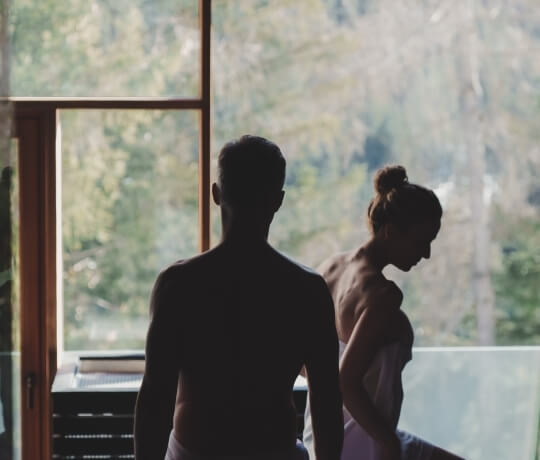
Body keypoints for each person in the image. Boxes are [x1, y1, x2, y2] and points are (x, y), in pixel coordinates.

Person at [134, 135, 343, 460]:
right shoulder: (307, 290)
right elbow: (327, 400)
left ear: (216, 193)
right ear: (278, 200)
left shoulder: (179, 285)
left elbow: (155, 399)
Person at [303, 165, 464, 460]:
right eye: (421, 242)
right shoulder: (383, 295)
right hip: (365, 443)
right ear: (390, 232)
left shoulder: (330, 268)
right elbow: (346, 381)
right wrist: (389, 443)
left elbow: (306, 360)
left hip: (323, 436)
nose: (426, 254)